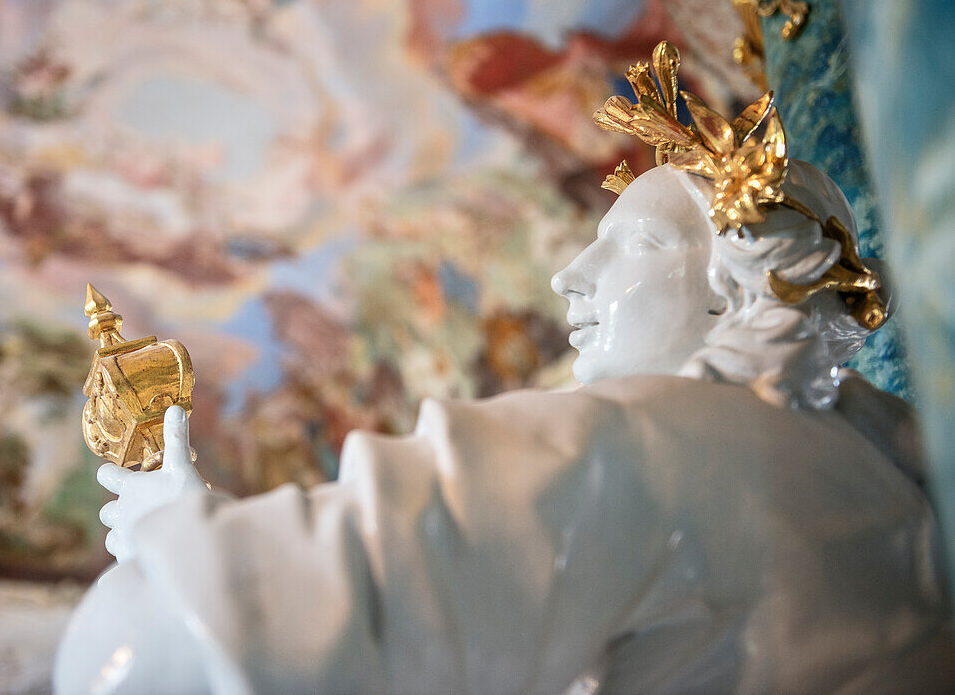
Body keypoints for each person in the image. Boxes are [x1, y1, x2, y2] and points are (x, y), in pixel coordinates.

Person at [54, 157, 953, 694]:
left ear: (734, 282)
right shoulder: (893, 483)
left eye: (635, 243)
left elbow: (154, 655)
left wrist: (184, 559)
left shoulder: (651, 443)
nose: (571, 274)